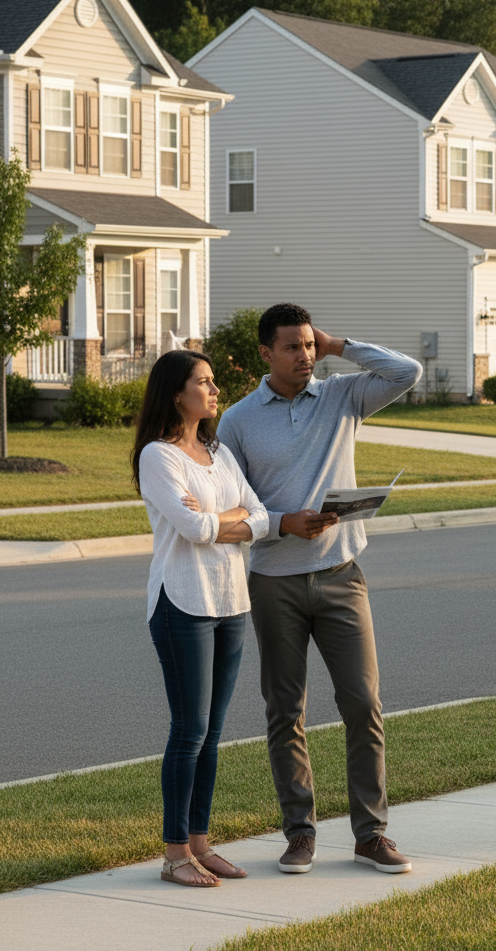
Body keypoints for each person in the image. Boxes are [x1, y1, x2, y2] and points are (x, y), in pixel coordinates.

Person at [216, 303, 422, 876]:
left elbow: (407, 373)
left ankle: (371, 834)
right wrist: (284, 519)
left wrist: (339, 345)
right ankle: (300, 834)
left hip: (341, 576)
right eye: (293, 347)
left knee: (363, 703)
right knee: (286, 710)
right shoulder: (236, 421)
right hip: (274, 582)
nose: (304, 356)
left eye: (309, 345)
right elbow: (233, 504)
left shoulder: (342, 396)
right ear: (265, 353)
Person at [131, 350, 269, 889]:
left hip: (230, 600)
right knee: (189, 731)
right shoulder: (158, 457)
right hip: (181, 602)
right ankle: (173, 855)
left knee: (212, 734)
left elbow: (258, 514)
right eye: (204, 383)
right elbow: (191, 528)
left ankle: (201, 845)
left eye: (214, 383)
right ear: (175, 393)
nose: (215, 392)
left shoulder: (218, 452)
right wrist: (227, 518)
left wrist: (225, 518)